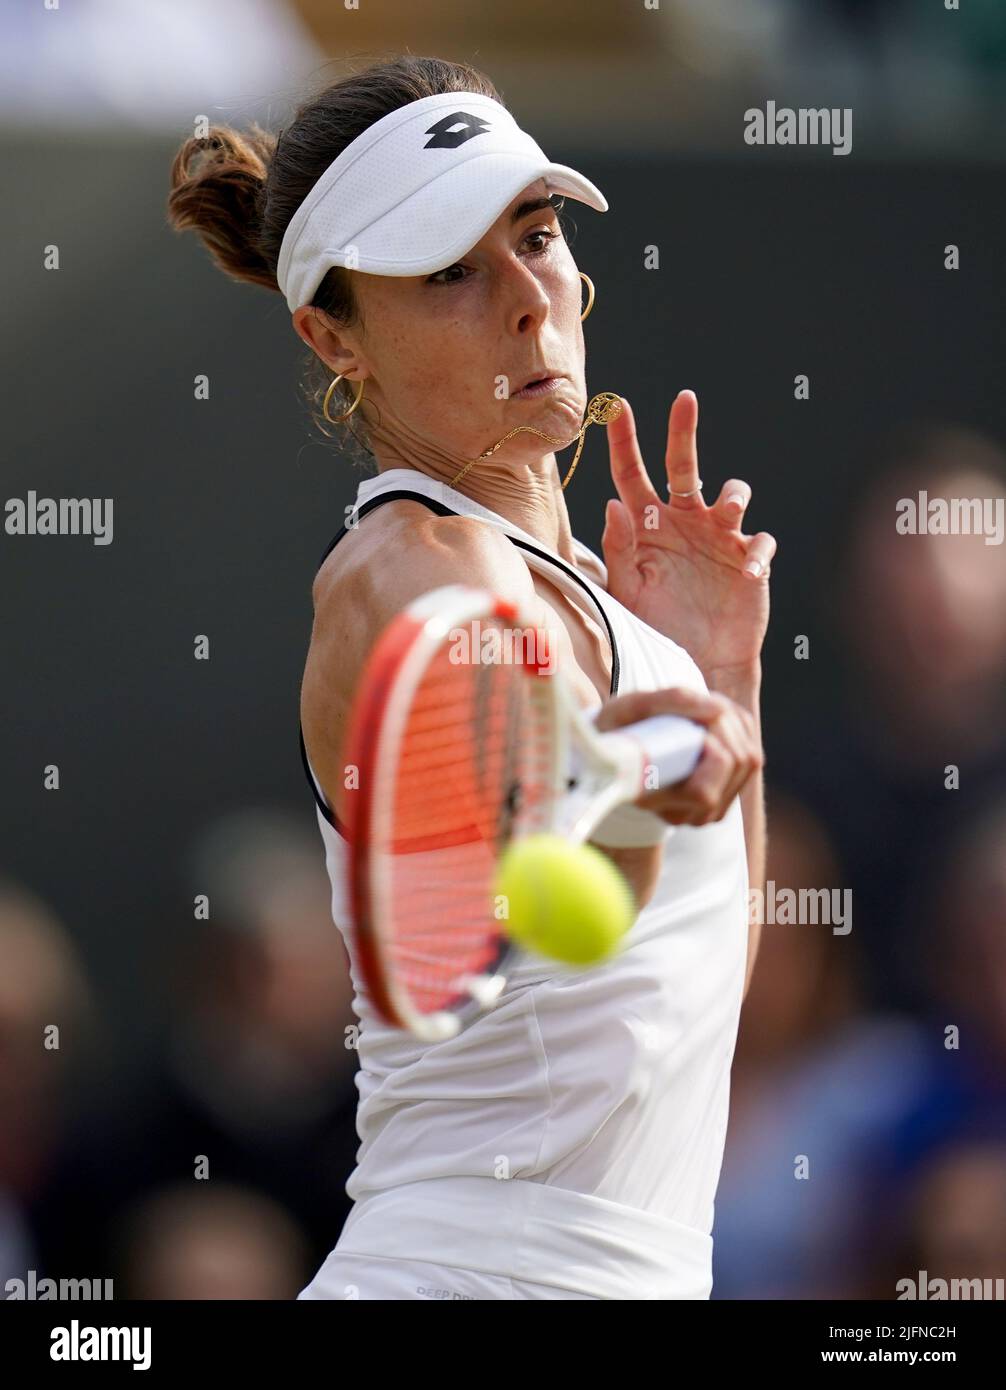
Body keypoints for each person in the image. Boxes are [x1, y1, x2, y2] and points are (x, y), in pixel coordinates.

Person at [167, 54, 775, 1300]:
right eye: (448, 270)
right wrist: (624, 769)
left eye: (537, 237)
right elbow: (549, 809)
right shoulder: (401, 569)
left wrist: (717, 670)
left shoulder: (588, 606)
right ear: (333, 336)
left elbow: (683, 991)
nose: (525, 299)